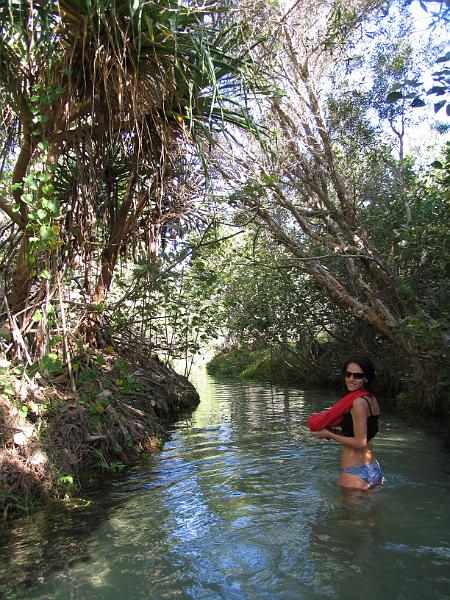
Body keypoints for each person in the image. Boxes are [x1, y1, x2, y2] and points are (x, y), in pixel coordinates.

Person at [310, 355, 383, 490]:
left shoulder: (358, 403)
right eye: (348, 374)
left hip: (354, 472)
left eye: (357, 376)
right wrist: (335, 431)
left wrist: (329, 434)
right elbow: (360, 434)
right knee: (372, 511)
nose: (351, 379)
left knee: (346, 512)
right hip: (373, 468)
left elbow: (360, 443)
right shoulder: (371, 399)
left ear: (366, 378)